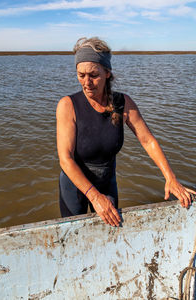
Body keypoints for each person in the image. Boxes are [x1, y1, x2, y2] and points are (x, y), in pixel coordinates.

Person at [56, 37, 196, 227]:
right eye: (81, 75)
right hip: (74, 186)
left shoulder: (123, 103)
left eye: (93, 75)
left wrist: (170, 178)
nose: (86, 82)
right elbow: (66, 158)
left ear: (107, 73)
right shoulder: (68, 106)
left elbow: (148, 141)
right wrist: (95, 197)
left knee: (112, 228)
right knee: (73, 234)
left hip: (107, 180)